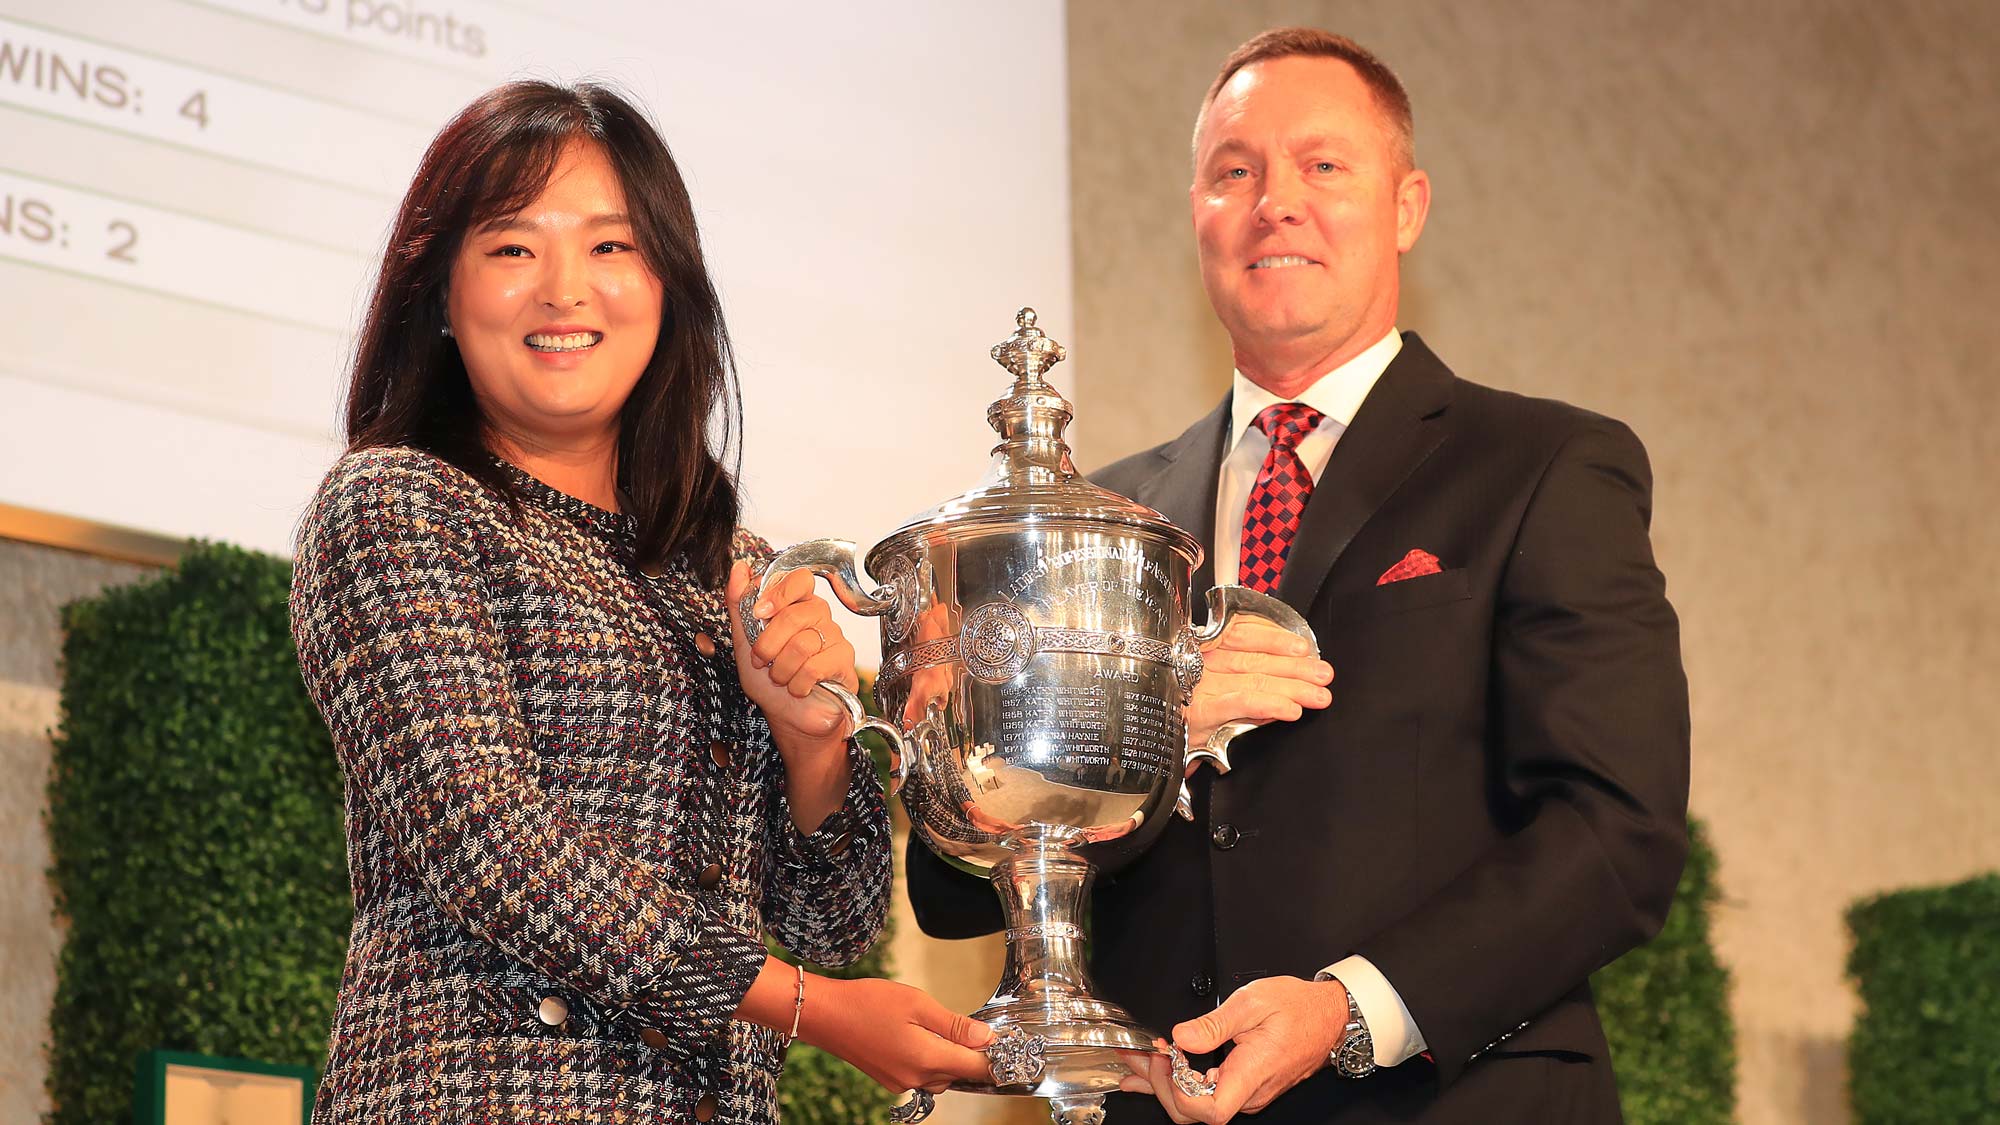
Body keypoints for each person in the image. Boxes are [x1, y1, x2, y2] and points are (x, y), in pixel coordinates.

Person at [906, 28, 1690, 1124]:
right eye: (1235, 171)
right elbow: (951, 894)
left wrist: (1348, 1010)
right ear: (1197, 213)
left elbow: (1617, 832)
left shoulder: (1544, 467)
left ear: (1405, 206)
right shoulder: (1102, 520)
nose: (1275, 201)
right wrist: (1142, 725)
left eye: (1324, 166)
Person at [290, 81, 991, 1123]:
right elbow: (481, 836)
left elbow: (832, 920)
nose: (564, 290)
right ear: (440, 292)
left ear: (668, 286)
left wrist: (811, 745)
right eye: (513, 248)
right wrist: (808, 1010)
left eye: (611, 248)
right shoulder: (395, 502)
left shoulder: (723, 563)